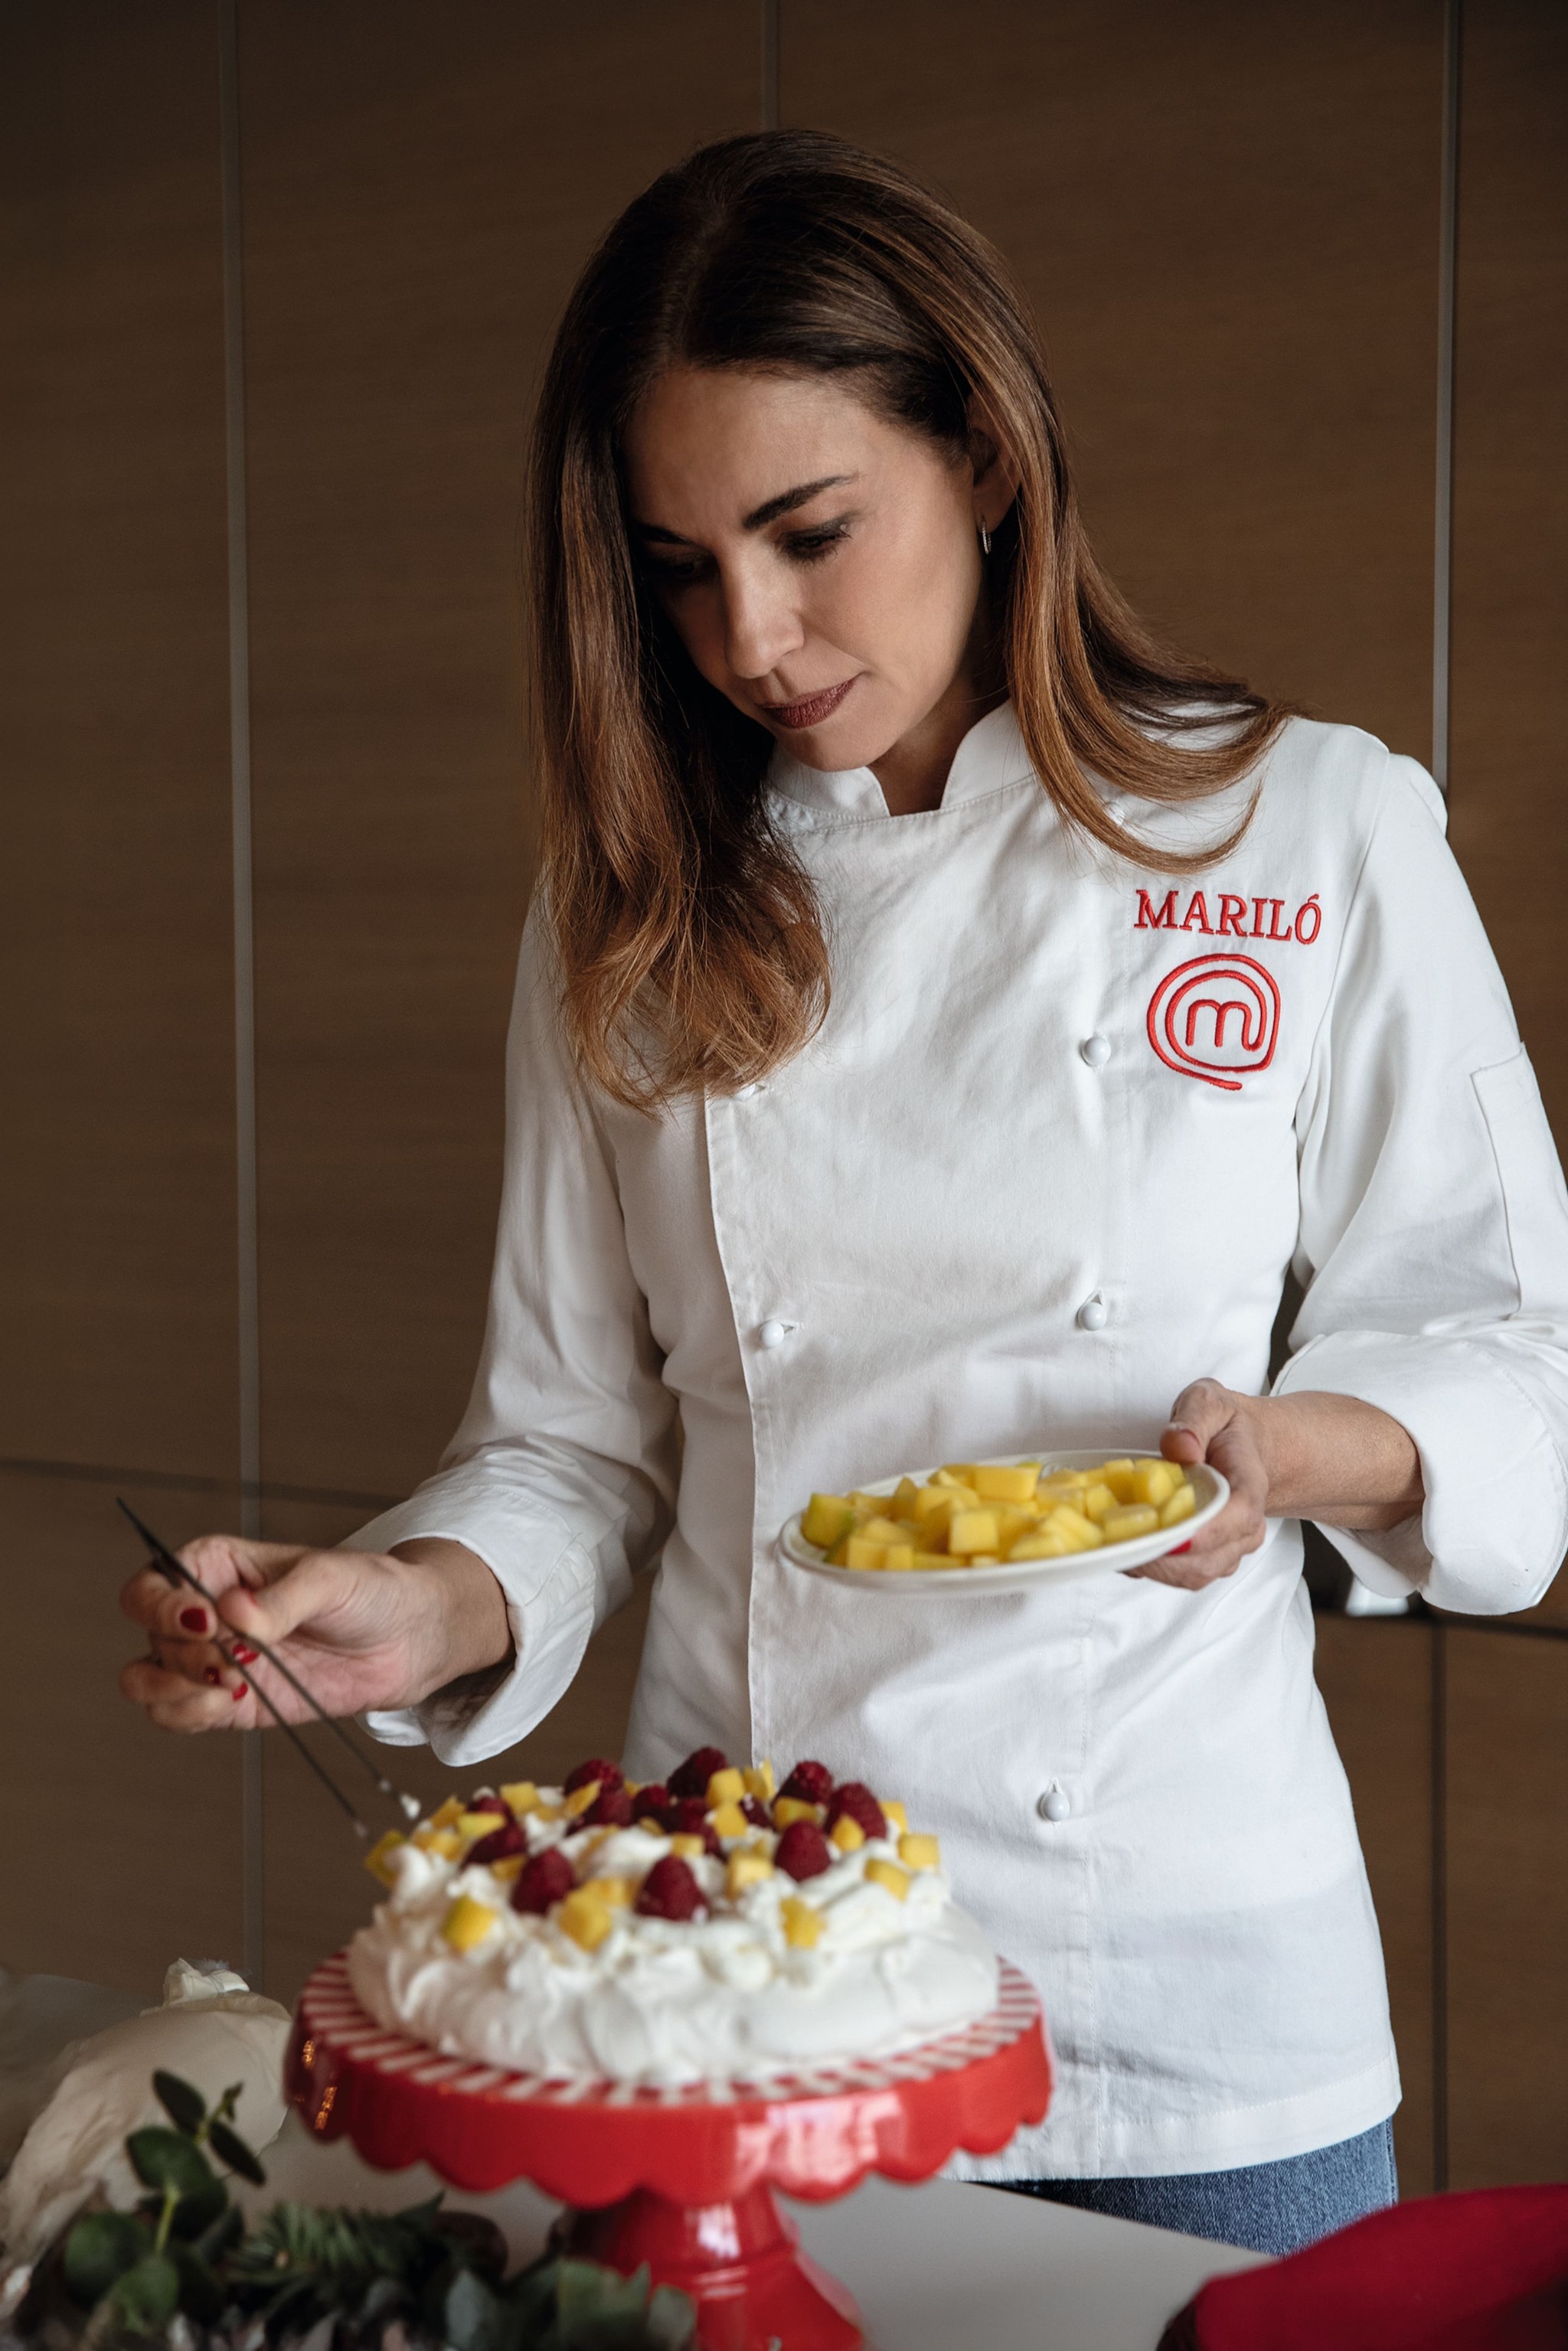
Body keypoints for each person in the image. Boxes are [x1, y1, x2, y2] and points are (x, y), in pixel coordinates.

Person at [119, 131, 1568, 2254]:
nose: (754, 634)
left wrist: (1294, 1453)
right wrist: (414, 1609)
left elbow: (1512, 1340)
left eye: (811, 532)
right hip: (740, 1974)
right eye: (680, 565)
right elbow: (572, 1443)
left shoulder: (1303, 828)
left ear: (983, 455)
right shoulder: (626, 911)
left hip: (1189, 1994)